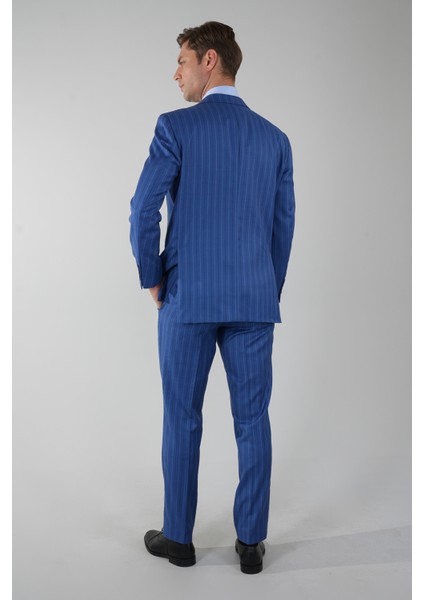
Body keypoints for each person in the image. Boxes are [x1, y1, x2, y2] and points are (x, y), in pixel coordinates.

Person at [129, 21, 295, 574]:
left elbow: (142, 208)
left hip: (188, 298)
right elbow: (283, 227)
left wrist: (153, 277)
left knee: (182, 417)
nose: (175, 73)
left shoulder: (175, 126)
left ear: (209, 60)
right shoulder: (275, 139)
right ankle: (250, 545)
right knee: (253, 421)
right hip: (253, 299)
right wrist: (266, 288)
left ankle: (179, 539)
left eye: (182, 60)